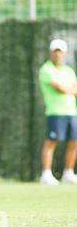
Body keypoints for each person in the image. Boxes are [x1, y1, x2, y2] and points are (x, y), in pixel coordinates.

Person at [39, 39, 77, 185]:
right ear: (51, 52)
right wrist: (69, 89)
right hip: (55, 112)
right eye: (55, 51)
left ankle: (68, 173)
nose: (57, 54)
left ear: (64, 53)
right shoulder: (46, 69)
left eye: (60, 51)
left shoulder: (69, 71)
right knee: (51, 142)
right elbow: (60, 88)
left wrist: (69, 89)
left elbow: (74, 89)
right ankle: (46, 174)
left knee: (74, 142)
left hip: (72, 112)